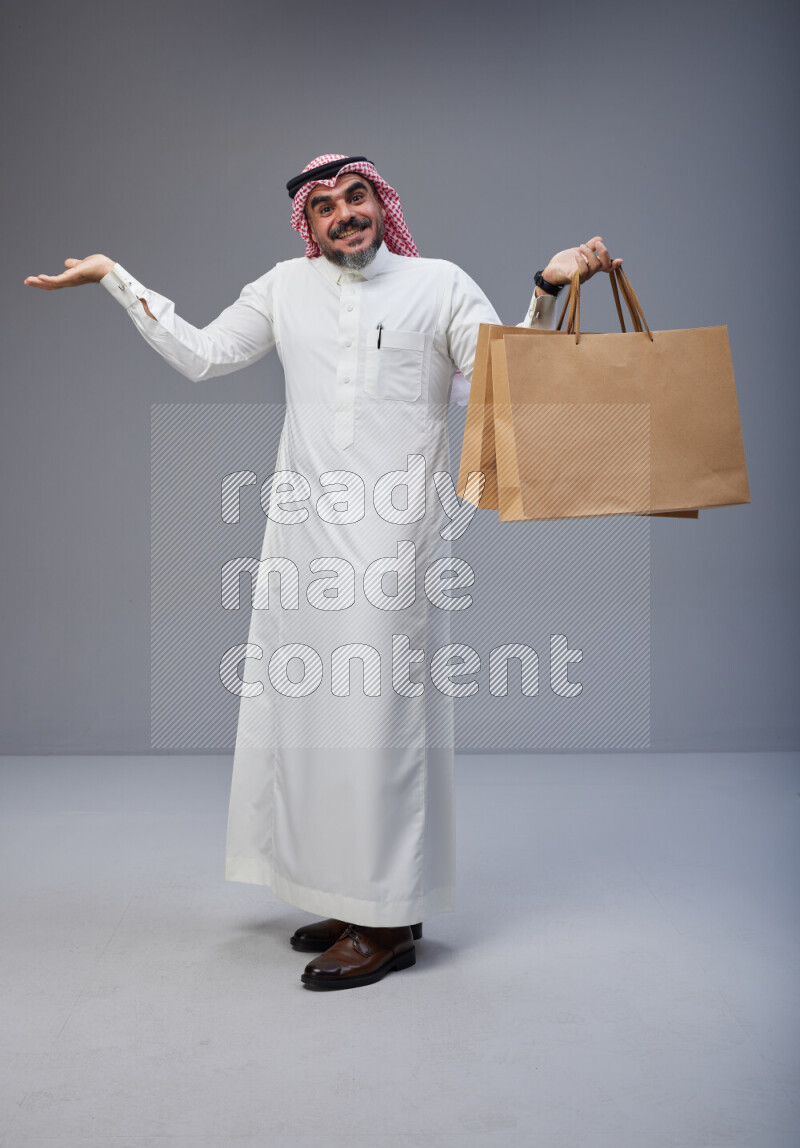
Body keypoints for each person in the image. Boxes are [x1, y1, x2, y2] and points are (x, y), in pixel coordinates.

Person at [25, 153, 622, 991]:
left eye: (358, 196)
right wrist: (114, 278)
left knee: (379, 725)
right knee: (314, 723)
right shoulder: (283, 288)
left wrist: (547, 287)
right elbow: (201, 354)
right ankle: (360, 896)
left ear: (382, 203)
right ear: (306, 224)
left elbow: (494, 379)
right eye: (326, 206)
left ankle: (386, 924)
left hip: (394, 543)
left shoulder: (438, 284)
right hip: (302, 542)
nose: (346, 214)